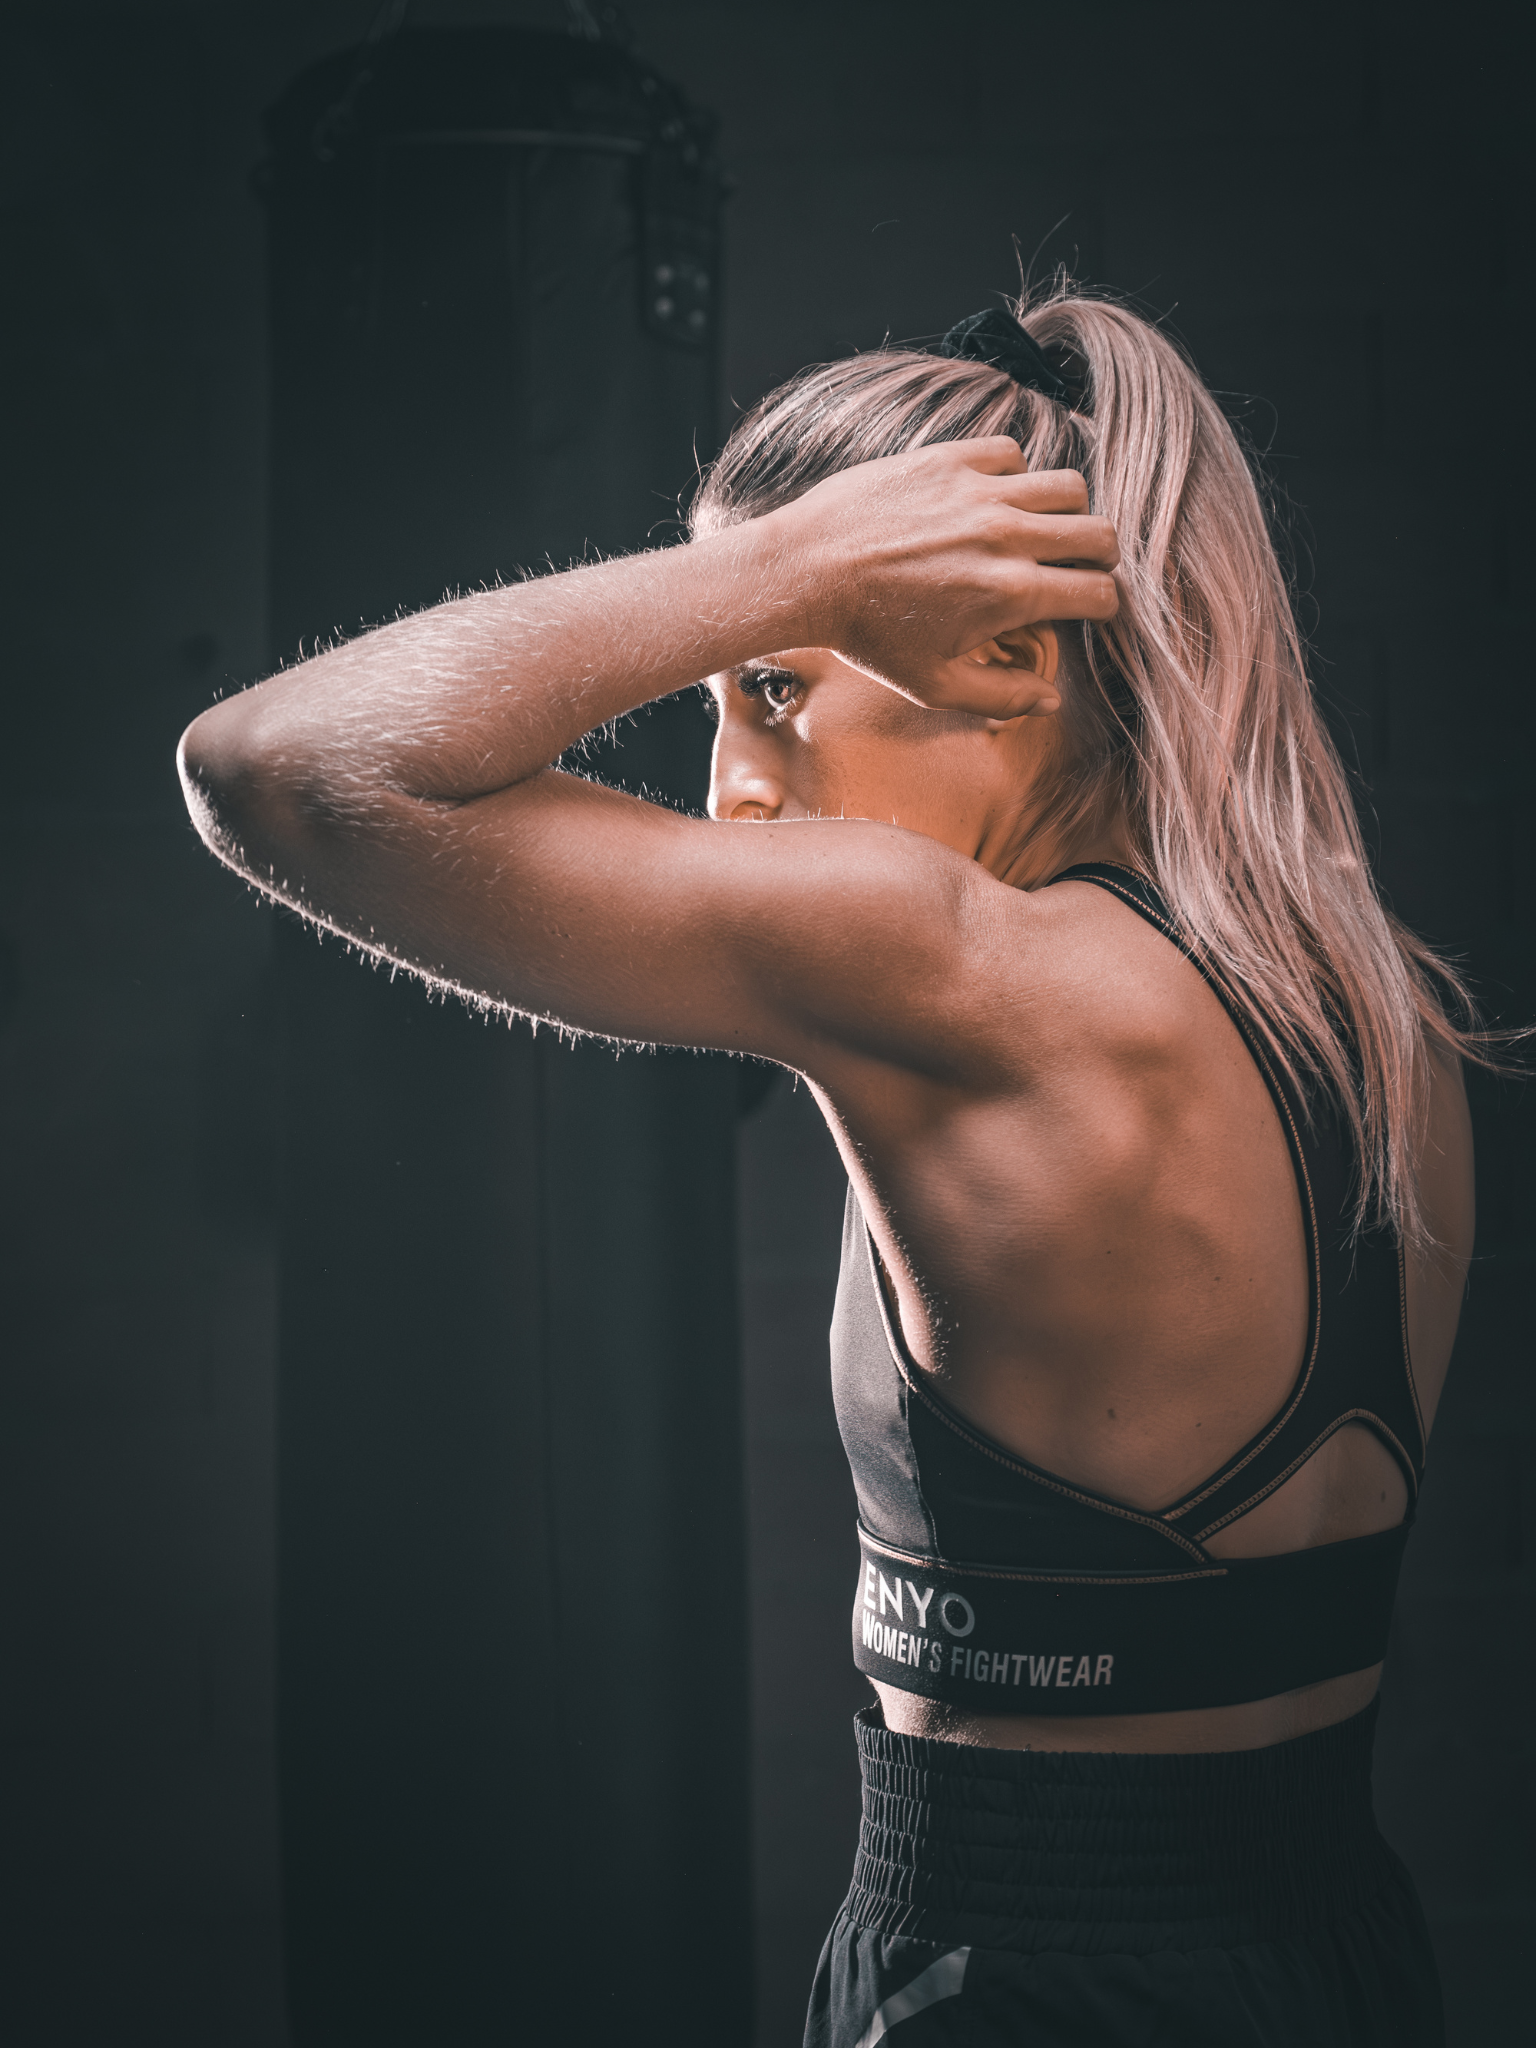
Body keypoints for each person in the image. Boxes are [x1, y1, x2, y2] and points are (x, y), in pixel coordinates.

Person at [179, 281, 1475, 2046]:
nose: (729, 793)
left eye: (775, 689)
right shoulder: (1373, 1002)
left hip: (1026, 1978)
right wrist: (800, 598)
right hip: (1336, 1953)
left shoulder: (958, 968)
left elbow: (275, 767)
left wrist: (778, 567)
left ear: (1011, 659)